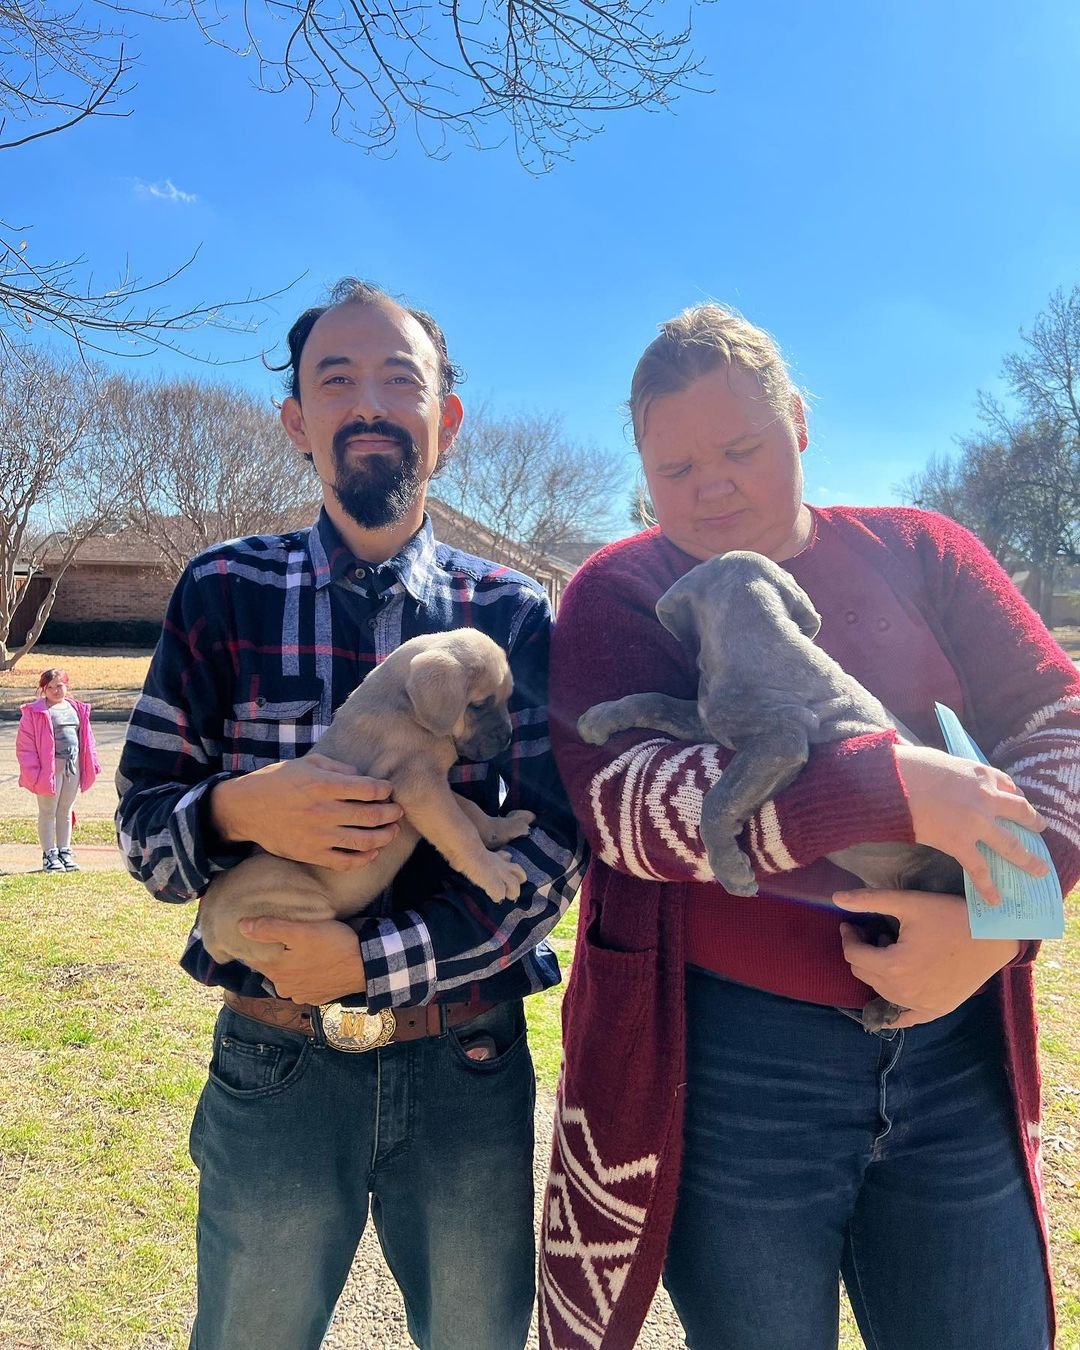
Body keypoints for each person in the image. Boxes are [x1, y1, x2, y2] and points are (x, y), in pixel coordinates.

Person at [538, 303, 1080, 1350]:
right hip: (730, 1068)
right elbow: (626, 802)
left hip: (955, 1053)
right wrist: (887, 789)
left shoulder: (924, 551)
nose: (711, 484)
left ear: (798, 421)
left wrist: (1002, 926)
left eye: (740, 446)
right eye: (675, 465)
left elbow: (1063, 727)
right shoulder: (625, 590)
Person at [116, 278, 585, 1350]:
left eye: (399, 380)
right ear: (297, 422)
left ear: (446, 421)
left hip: (467, 1060)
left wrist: (376, 963)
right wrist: (241, 808)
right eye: (336, 380)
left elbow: (556, 852)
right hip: (273, 1063)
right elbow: (145, 837)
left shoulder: (512, 616)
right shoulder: (219, 590)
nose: (368, 403)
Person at [17, 667, 101, 873]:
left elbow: (87, 740)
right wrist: (34, 773)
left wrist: (92, 763)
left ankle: (65, 851)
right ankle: (49, 854)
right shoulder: (34, 712)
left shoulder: (76, 709)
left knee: (65, 810)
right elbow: (24, 747)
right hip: (49, 771)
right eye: (50, 687)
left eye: (59, 686)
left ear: (67, 686)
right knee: (48, 812)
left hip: (73, 768)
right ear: (43, 689)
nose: (55, 690)